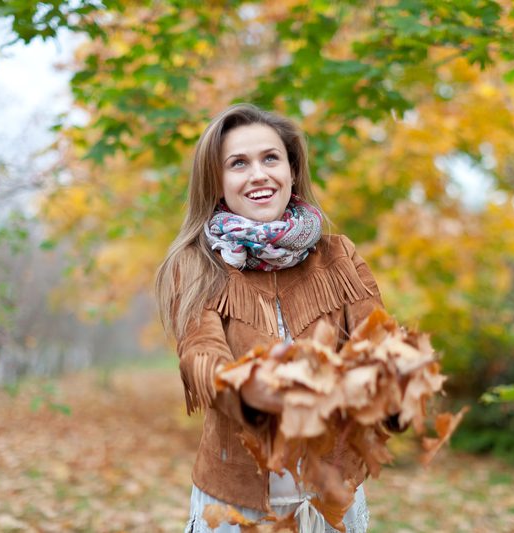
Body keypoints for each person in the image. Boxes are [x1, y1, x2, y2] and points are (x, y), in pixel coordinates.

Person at [155, 103, 385, 533]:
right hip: (234, 504)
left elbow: (376, 349)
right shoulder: (197, 265)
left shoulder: (338, 256)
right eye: (238, 163)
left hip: (329, 501)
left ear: (292, 171)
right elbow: (201, 359)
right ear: (218, 182)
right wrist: (271, 393)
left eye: (270, 158)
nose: (258, 174)